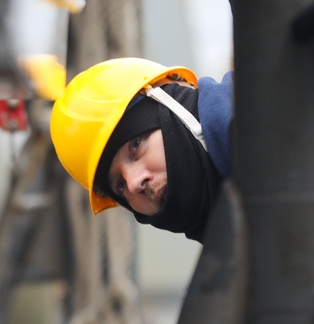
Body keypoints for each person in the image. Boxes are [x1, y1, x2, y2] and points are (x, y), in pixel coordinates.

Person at [50, 57, 233, 243]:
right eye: (120, 185)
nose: (134, 184)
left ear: (174, 98)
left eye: (135, 145)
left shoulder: (259, 115)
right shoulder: (236, 247)